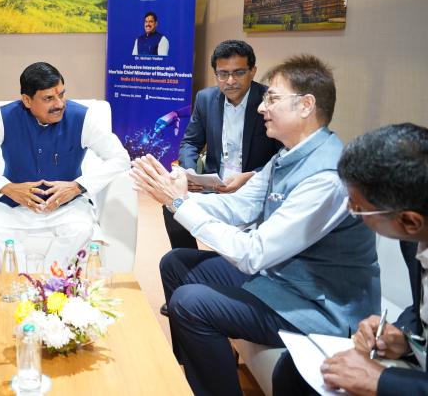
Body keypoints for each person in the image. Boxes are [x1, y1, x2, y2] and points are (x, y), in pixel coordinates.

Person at [131, 54, 380, 396]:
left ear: (306, 105)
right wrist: (179, 195)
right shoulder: (287, 155)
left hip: (318, 308)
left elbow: (254, 254)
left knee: (191, 301)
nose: (261, 107)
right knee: (176, 263)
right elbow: (238, 206)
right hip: (280, 281)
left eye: (272, 98)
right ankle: (190, 374)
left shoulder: (326, 177)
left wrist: (178, 204)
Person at [272, 123, 428, 396]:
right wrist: (404, 338)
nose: (350, 210)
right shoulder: (413, 237)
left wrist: (380, 381)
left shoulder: (411, 229)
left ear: (409, 221)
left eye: (359, 208)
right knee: (293, 369)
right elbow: (421, 309)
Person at [0, 61, 130, 271]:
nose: (59, 104)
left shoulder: (81, 118)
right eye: (49, 98)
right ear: (27, 100)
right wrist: (7, 188)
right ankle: (23, 282)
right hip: (14, 205)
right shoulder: (4, 118)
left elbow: (120, 158)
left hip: (66, 205)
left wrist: (77, 186)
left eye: (61, 95)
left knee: (82, 229)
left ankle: (47, 282)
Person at [162, 40, 281, 255]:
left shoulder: (269, 101)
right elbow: (191, 142)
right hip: (214, 187)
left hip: (253, 190)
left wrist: (251, 176)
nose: (230, 81)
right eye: (223, 74)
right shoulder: (206, 99)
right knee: (172, 204)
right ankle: (189, 260)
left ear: (253, 71)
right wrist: (190, 172)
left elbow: (284, 155)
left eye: (239, 73)